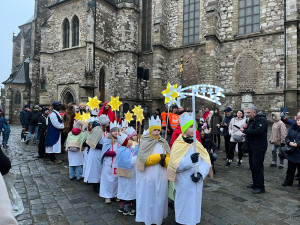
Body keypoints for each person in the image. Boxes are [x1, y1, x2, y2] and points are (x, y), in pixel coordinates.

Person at [167, 112, 212, 225]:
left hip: (196, 182)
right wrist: (190, 160)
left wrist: (201, 173)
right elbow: (175, 166)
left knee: (194, 209)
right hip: (184, 183)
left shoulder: (197, 144)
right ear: (185, 128)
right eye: (191, 126)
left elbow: (206, 161)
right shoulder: (178, 144)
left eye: (195, 126)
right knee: (184, 207)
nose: (194, 129)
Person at [135, 116, 170, 225]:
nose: (157, 132)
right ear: (150, 130)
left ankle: (157, 218)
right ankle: (148, 219)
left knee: (159, 198)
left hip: (161, 174)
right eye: (155, 130)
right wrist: (160, 157)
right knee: (149, 198)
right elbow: (146, 160)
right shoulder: (145, 141)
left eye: (158, 130)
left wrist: (165, 162)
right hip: (149, 175)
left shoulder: (163, 141)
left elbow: (169, 157)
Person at [241, 105, 268, 194]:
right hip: (252, 146)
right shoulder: (252, 120)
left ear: (254, 112)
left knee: (258, 167)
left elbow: (258, 131)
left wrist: (245, 131)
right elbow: (250, 130)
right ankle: (255, 183)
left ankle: (261, 187)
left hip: (259, 147)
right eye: (247, 112)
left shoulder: (262, 120)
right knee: (252, 166)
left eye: (249, 112)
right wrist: (246, 128)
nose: (247, 114)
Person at [84, 115, 110, 193]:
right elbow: (92, 143)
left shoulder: (104, 131)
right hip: (96, 153)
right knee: (95, 169)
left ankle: (99, 183)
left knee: (100, 169)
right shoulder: (97, 130)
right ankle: (95, 185)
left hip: (101, 153)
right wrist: (104, 147)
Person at [116, 132, 138, 216]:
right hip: (128, 174)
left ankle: (122, 206)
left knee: (124, 189)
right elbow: (128, 162)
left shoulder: (123, 149)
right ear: (125, 142)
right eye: (128, 140)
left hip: (123, 174)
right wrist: (136, 158)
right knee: (128, 190)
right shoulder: (125, 151)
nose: (130, 141)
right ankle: (127, 208)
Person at [100, 121, 120, 204]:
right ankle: (107, 196)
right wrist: (114, 153)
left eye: (117, 131)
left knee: (116, 180)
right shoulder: (107, 140)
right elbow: (104, 152)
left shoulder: (120, 140)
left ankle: (115, 195)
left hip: (117, 163)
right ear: (111, 132)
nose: (116, 132)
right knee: (107, 180)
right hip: (108, 163)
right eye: (114, 131)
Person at [282, 114, 300, 189]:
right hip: (292, 152)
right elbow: (287, 137)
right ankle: (288, 181)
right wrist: (289, 142)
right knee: (290, 169)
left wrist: (297, 144)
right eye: (298, 120)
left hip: (299, 152)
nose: (299, 121)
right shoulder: (293, 127)